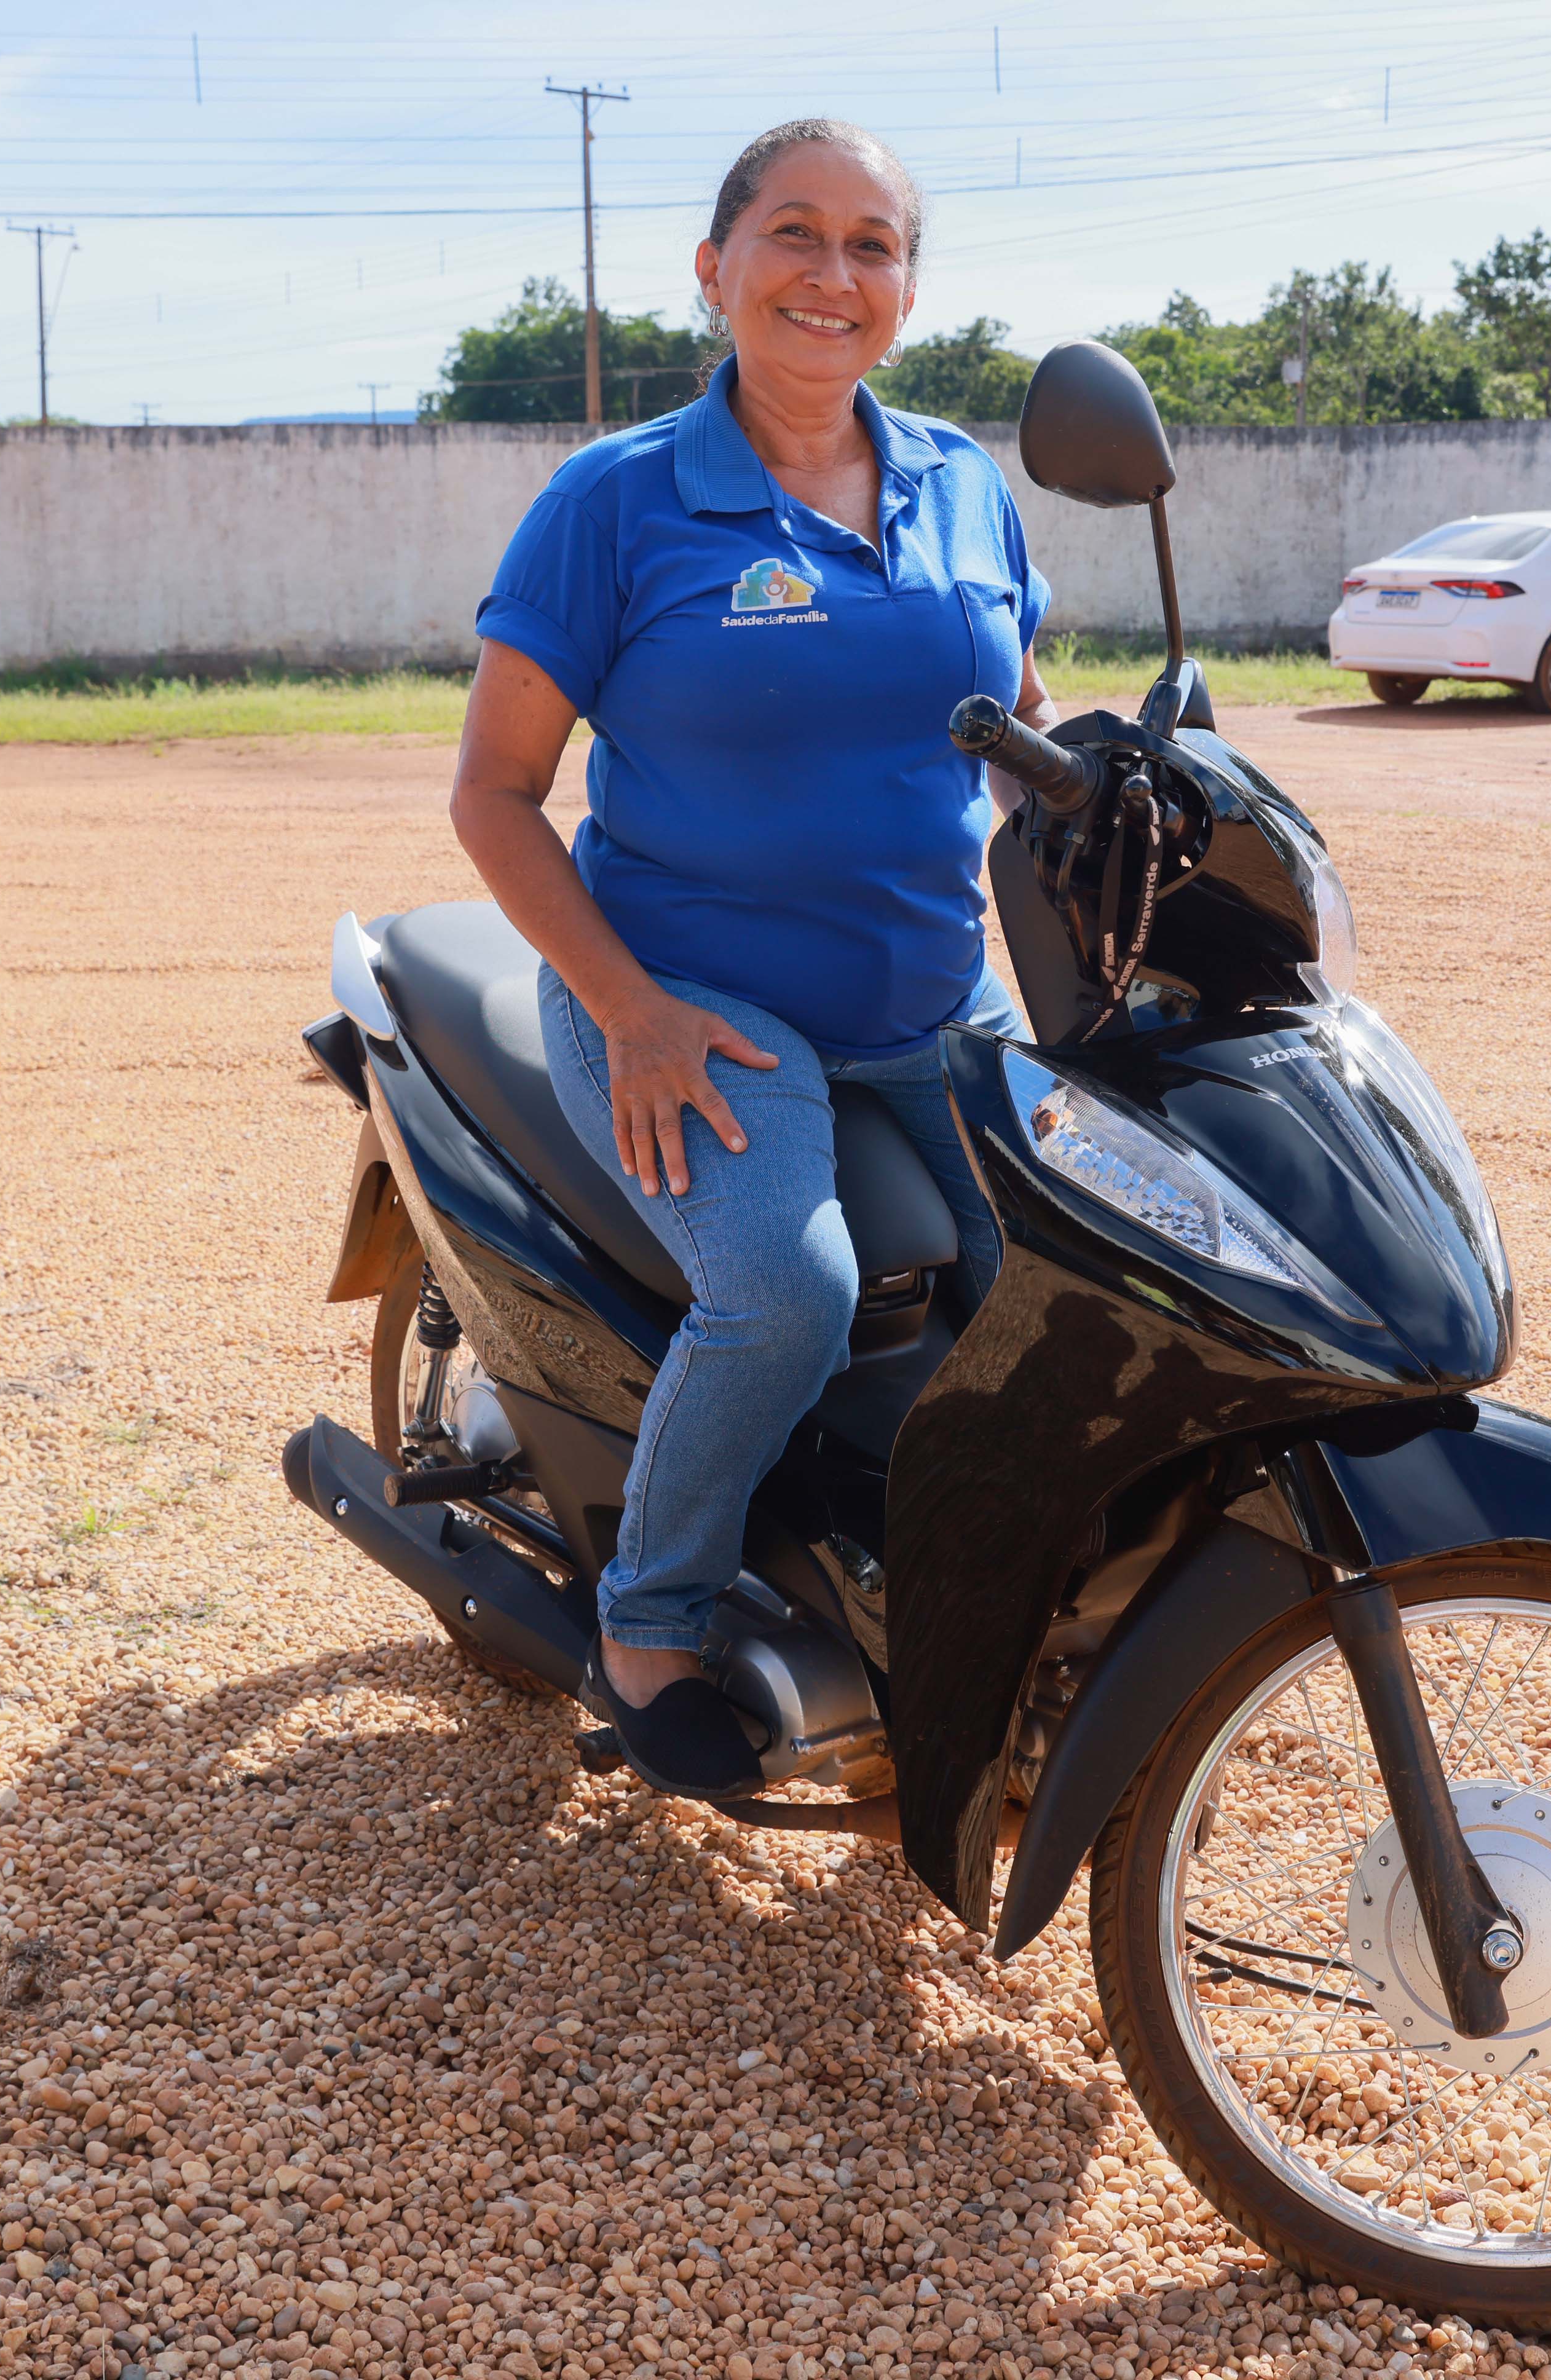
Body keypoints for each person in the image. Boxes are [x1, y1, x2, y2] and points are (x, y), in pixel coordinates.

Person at [448, 117, 1059, 1797]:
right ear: (715, 269)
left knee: (1090, 1272)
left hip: (939, 1001)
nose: (833, 274)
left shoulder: (959, 484)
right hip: (688, 1001)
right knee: (793, 1289)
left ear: (908, 291)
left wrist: (1112, 809)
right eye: (796, 233)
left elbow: (1017, 724)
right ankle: (649, 1616)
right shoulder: (618, 504)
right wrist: (631, 1015)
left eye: (874, 245)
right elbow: (495, 797)